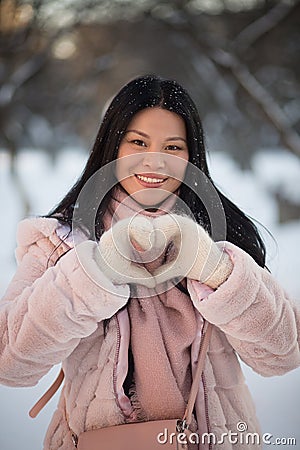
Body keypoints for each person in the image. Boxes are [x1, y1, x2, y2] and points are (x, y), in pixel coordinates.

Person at [0, 74, 299, 450]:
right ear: (112, 146)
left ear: (192, 157)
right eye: (138, 142)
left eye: (173, 147)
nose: (155, 161)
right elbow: (10, 362)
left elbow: (283, 353)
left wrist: (216, 270)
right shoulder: (61, 242)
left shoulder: (219, 237)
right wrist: (94, 271)